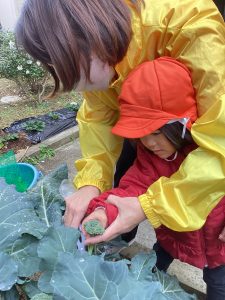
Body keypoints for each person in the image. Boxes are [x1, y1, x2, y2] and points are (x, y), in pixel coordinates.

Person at [16, 1, 225, 249]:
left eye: (73, 71)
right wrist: (91, 183)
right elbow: (97, 117)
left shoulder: (188, 24)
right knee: (128, 177)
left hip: (192, 132)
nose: (74, 85)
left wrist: (151, 205)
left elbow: (219, 137)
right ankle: (117, 239)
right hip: (142, 128)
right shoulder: (97, 60)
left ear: (94, 37)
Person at [81, 57, 225, 299]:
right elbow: (130, 188)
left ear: (182, 124)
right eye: (141, 134)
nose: (148, 142)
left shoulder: (215, 150)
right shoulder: (151, 157)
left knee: (218, 285)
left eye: (156, 132)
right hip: (173, 237)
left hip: (218, 247)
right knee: (151, 269)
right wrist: (103, 211)